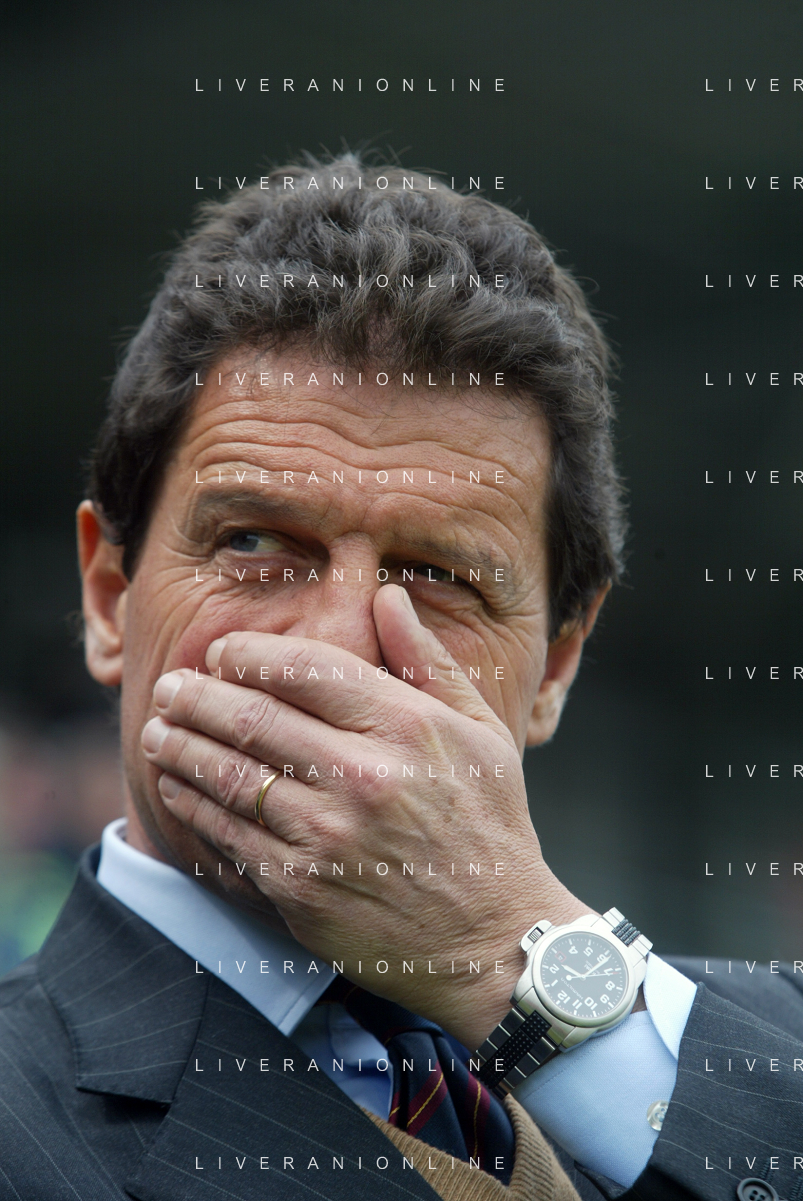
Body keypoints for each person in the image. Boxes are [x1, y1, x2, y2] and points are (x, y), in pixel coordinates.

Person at [0, 155, 800, 1201]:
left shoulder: (756, 1051)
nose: (337, 645)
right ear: (109, 596)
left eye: (439, 575)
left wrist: (506, 960)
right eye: (254, 541)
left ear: (555, 664)